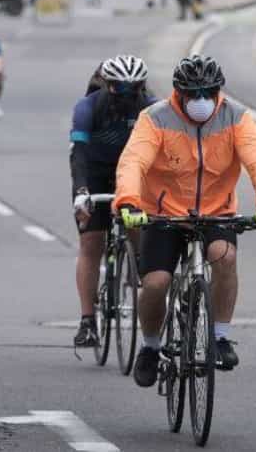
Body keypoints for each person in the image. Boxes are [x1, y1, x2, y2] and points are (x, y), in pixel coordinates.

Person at [114, 55, 256, 387]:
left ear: (218, 90)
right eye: (193, 93)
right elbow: (133, 161)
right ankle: (150, 347)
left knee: (225, 257)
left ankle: (220, 337)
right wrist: (130, 202)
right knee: (156, 284)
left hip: (216, 211)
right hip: (164, 215)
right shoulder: (155, 118)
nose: (201, 100)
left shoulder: (236, 117)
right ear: (178, 92)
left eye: (208, 92)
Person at [70, 55, 155, 347]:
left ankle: (136, 266)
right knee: (91, 242)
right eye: (121, 88)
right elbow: (78, 153)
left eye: (135, 88)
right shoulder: (88, 107)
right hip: (94, 172)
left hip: (132, 172)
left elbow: (162, 154)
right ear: (107, 85)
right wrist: (82, 191)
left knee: (137, 224)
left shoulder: (151, 107)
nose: (129, 95)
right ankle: (87, 322)